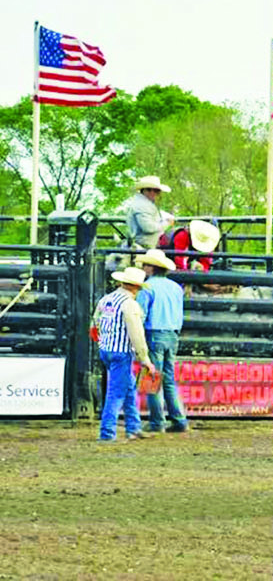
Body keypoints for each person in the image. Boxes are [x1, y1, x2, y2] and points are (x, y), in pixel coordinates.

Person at [92, 266, 160, 442]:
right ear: (135, 287)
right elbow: (136, 334)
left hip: (106, 350)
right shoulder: (130, 304)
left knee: (128, 388)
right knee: (116, 393)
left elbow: (95, 324)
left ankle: (134, 427)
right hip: (121, 353)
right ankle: (107, 433)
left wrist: (103, 341)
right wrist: (145, 359)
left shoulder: (106, 299)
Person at [133, 249, 189, 433]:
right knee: (169, 379)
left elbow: (140, 315)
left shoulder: (147, 287)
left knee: (152, 377)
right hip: (172, 334)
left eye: (145, 265)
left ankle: (157, 422)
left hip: (154, 333)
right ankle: (179, 420)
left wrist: (136, 339)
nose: (143, 268)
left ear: (151, 267)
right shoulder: (175, 287)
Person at [123, 175, 176, 251]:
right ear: (143, 190)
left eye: (156, 190)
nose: (152, 192)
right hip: (143, 248)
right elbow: (148, 228)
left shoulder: (143, 203)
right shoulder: (142, 205)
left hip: (144, 246)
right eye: (149, 189)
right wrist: (167, 223)